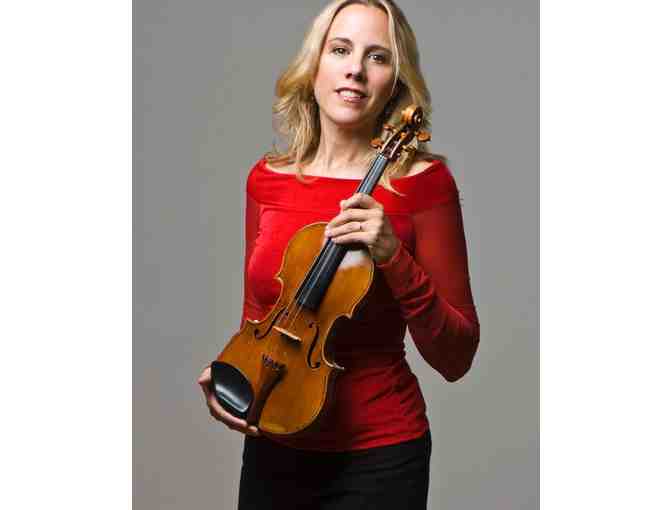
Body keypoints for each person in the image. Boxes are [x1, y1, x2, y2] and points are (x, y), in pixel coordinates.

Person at [197, 1, 480, 508]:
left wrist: (392, 254)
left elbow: (456, 356)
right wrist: (233, 371)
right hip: (274, 443)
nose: (355, 70)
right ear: (315, 66)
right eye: (340, 49)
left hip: (381, 455)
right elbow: (259, 317)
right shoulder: (268, 179)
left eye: (378, 56)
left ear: (396, 81)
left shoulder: (425, 184)